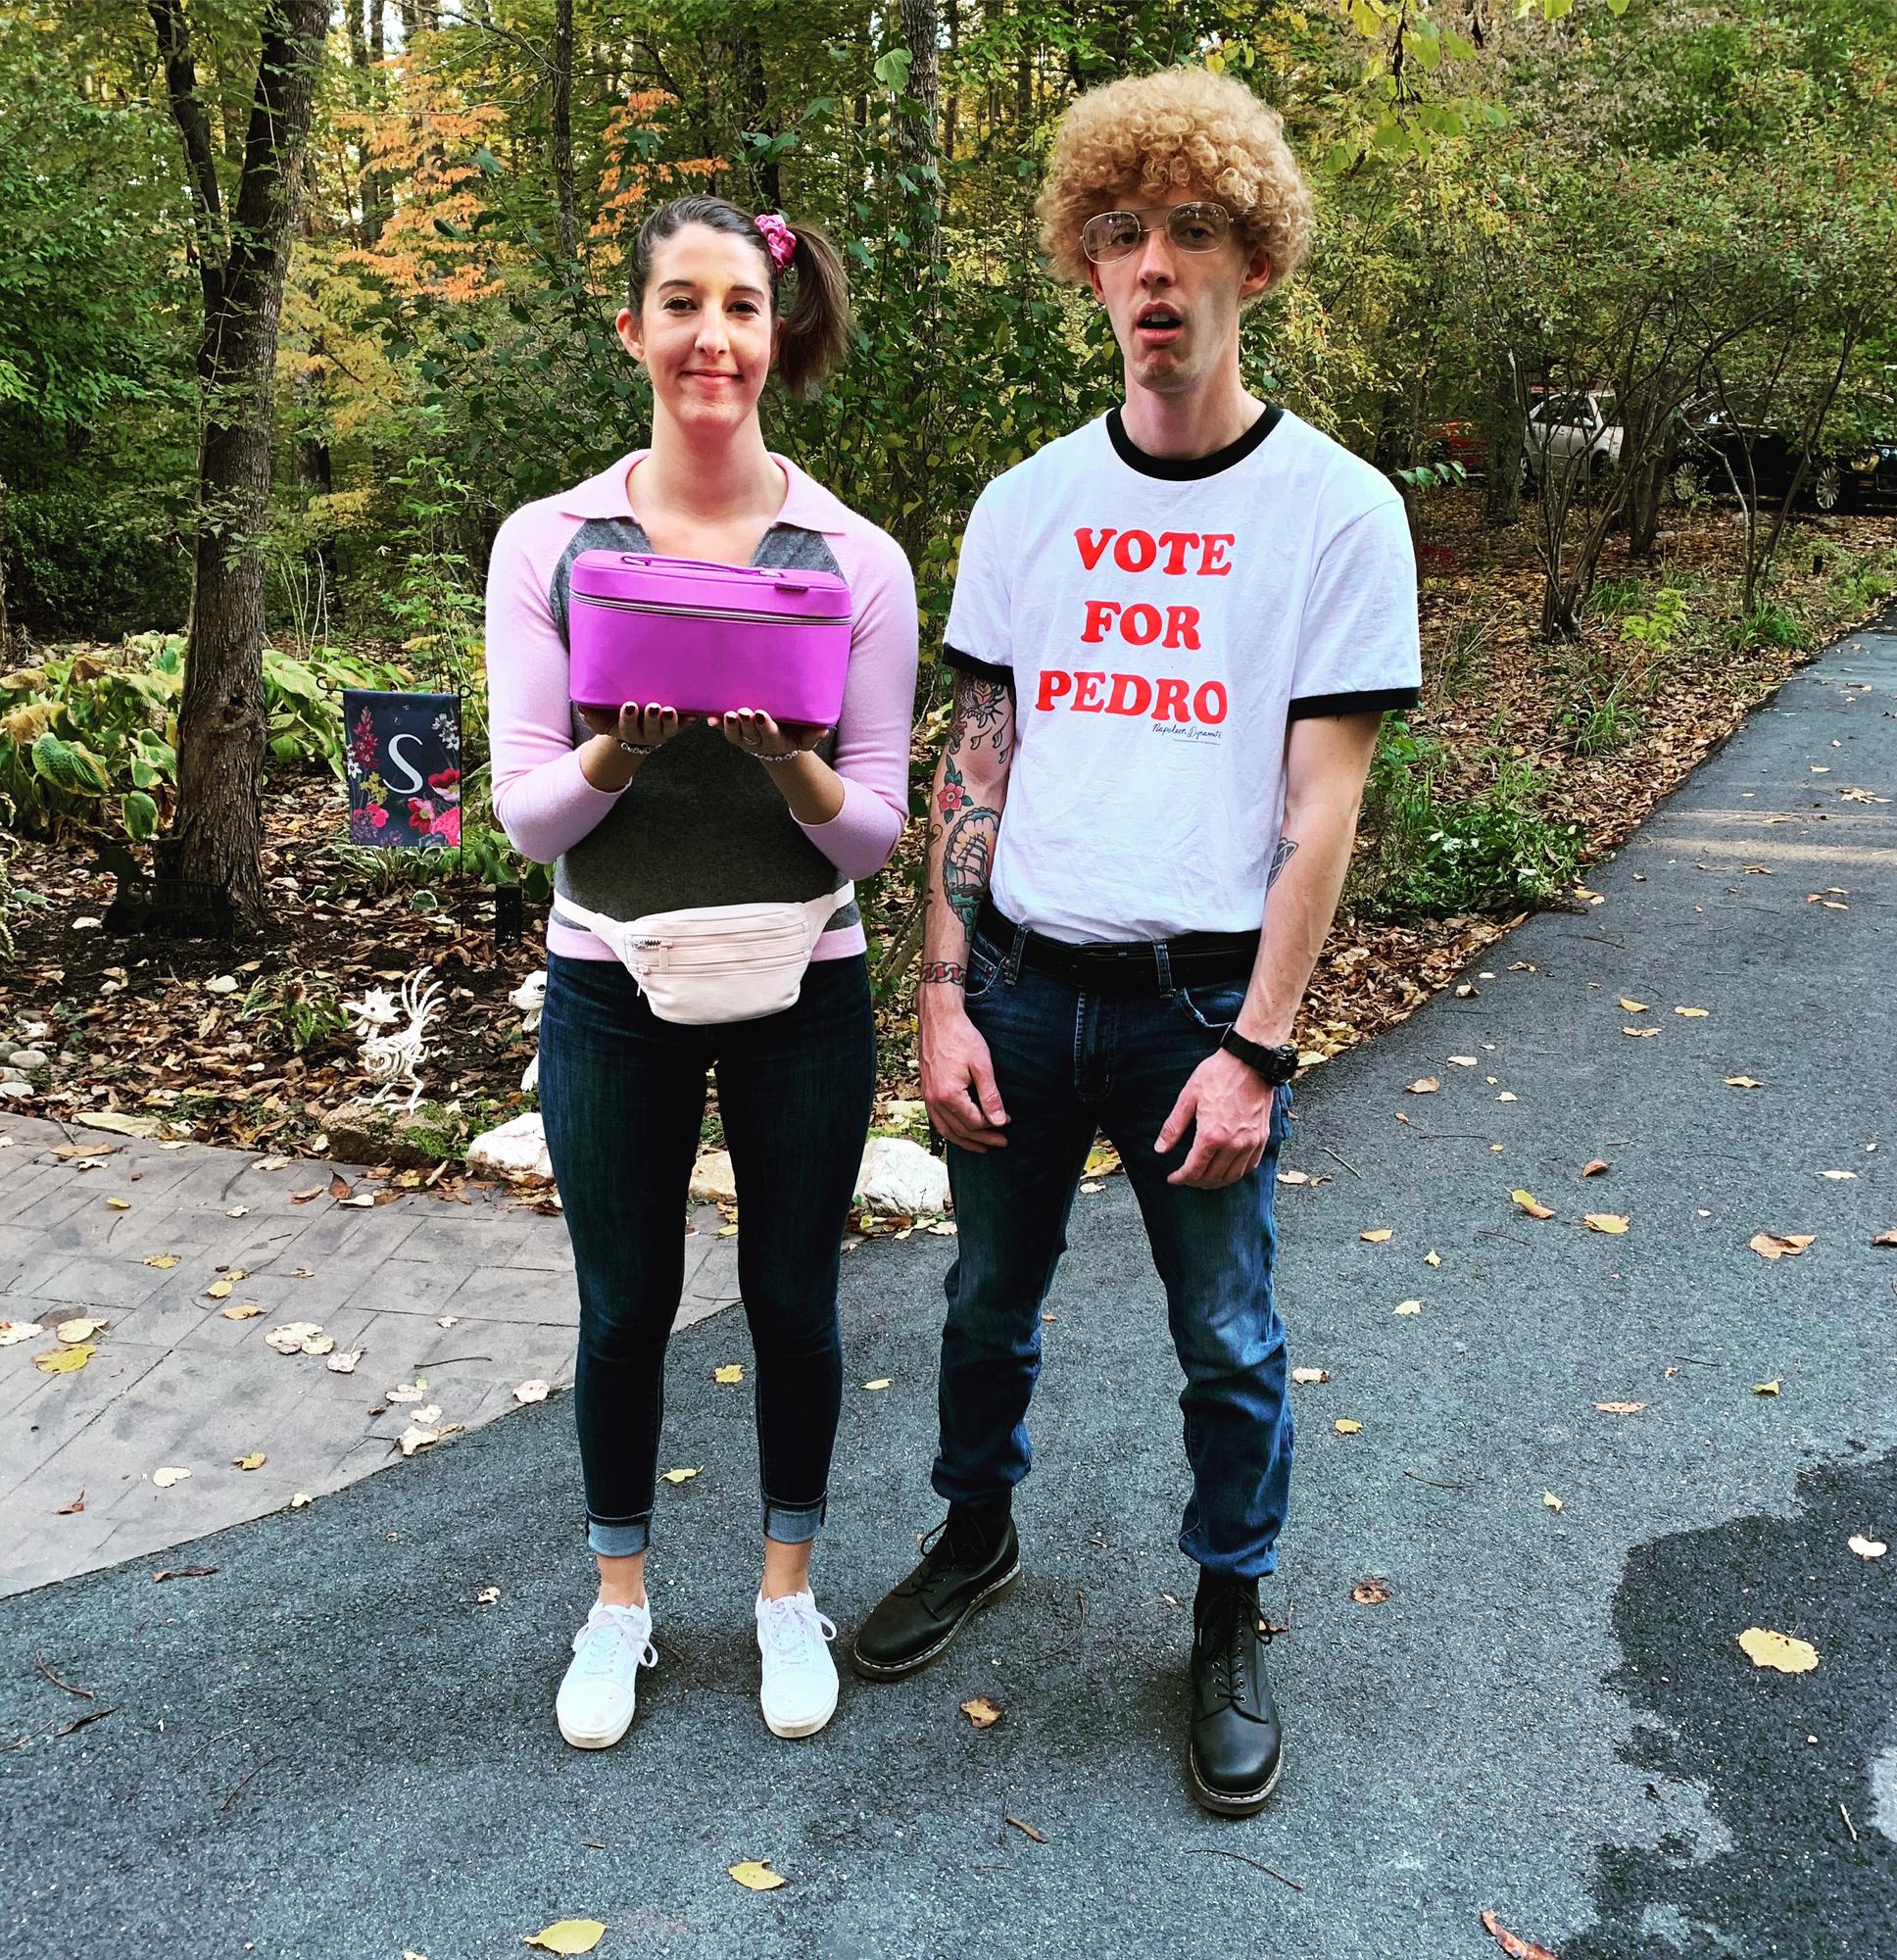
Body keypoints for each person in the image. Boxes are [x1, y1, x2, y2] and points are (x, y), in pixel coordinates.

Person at [850, 69, 1421, 1816]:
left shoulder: (1336, 513)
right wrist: (935, 997)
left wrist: (1258, 1047)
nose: (1154, 265)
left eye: (1189, 230)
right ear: (1087, 269)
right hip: (1021, 985)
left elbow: (1322, 810)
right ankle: (976, 1534)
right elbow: (981, 759)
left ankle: (1230, 1609)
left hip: (1196, 1004)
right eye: (1120, 233)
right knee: (983, 1309)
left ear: (1253, 257)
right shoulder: (1025, 508)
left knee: (1228, 1341)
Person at [485, 195, 918, 1749]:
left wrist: (790, 764)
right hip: (610, 975)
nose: (711, 338)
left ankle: (783, 1595)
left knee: (796, 1301)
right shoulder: (550, 542)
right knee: (623, 1309)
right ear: (635, 331)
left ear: (775, 330)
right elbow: (529, 811)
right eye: (680, 303)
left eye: (740, 306)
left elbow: (873, 832)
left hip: (806, 974)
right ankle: (619, 1608)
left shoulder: (854, 557)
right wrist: (621, 743)